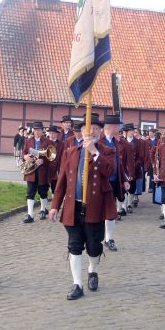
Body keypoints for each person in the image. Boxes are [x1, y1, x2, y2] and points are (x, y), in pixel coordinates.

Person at [49, 113, 116, 300]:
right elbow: (62, 180)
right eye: (88, 128)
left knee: (94, 246)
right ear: (82, 131)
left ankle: (93, 271)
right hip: (73, 206)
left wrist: (95, 152)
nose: (92, 131)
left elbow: (110, 172)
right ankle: (77, 283)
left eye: (95, 128)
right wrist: (55, 205)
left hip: (95, 207)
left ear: (100, 131)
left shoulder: (107, 151)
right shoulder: (71, 152)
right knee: (74, 245)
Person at [99, 115, 130, 251]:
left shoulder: (116, 142)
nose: (119, 129)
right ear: (111, 127)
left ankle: (109, 239)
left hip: (114, 182)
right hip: (100, 183)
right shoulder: (98, 141)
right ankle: (97, 238)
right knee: (99, 212)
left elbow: (119, 164)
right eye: (117, 126)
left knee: (111, 212)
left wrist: (124, 180)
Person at [22, 121, 52, 223]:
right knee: (30, 192)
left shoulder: (47, 142)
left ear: (42, 131)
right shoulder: (28, 140)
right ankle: (30, 215)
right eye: (35, 130)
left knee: (43, 192)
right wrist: (25, 157)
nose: (36, 132)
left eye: (38, 130)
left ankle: (43, 210)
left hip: (42, 171)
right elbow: (24, 152)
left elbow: (52, 157)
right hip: (31, 171)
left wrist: (43, 161)